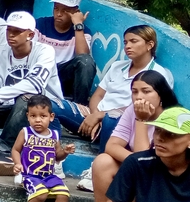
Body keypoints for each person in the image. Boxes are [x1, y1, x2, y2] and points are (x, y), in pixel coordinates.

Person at [69, 71, 180, 202]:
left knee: (141, 172)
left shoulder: (172, 116)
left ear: (161, 95)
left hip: (164, 180)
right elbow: (112, 146)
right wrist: (133, 164)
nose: (139, 97)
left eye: (146, 91)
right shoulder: (132, 110)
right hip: (143, 168)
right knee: (103, 162)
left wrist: (141, 121)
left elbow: (146, 160)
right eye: (134, 91)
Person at [0, 11, 63, 176]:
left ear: (30, 35)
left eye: (17, 31)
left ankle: (5, 149)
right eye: (9, 30)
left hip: (42, 112)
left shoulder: (45, 52)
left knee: (26, 98)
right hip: (9, 110)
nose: (11, 35)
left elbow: (35, 85)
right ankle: (3, 152)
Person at [54, 24, 174, 156]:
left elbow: (144, 108)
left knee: (112, 116)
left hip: (124, 125)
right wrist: (94, 116)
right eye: (125, 42)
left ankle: (99, 164)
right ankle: (53, 154)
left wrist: (101, 116)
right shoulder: (117, 66)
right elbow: (97, 96)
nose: (127, 46)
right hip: (93, 117)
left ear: (150, 45)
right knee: (51, 106)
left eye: (133, 41)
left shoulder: (158, 74)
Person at [12, 95, 76, 202]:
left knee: (63, 193)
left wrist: (65, 152)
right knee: (41, 194)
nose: (38, 120)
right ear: (28, 116)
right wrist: (17, 164)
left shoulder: (54, 135)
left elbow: (57, 157)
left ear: (51, 117)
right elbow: (15, 150)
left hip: (49, 176)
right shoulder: (26, 132)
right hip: (30, 175)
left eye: (43, 116)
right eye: (33, 116)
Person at [34, 0, 96, 106]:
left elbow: (83, 56)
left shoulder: (83, 31)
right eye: (56, 8)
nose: (58, 14)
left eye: (65, 10)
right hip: (42, 73)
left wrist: (78, 25)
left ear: (75, 11)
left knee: (86, 61)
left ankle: (79, 108)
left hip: (63, 76)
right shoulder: (40, 25)